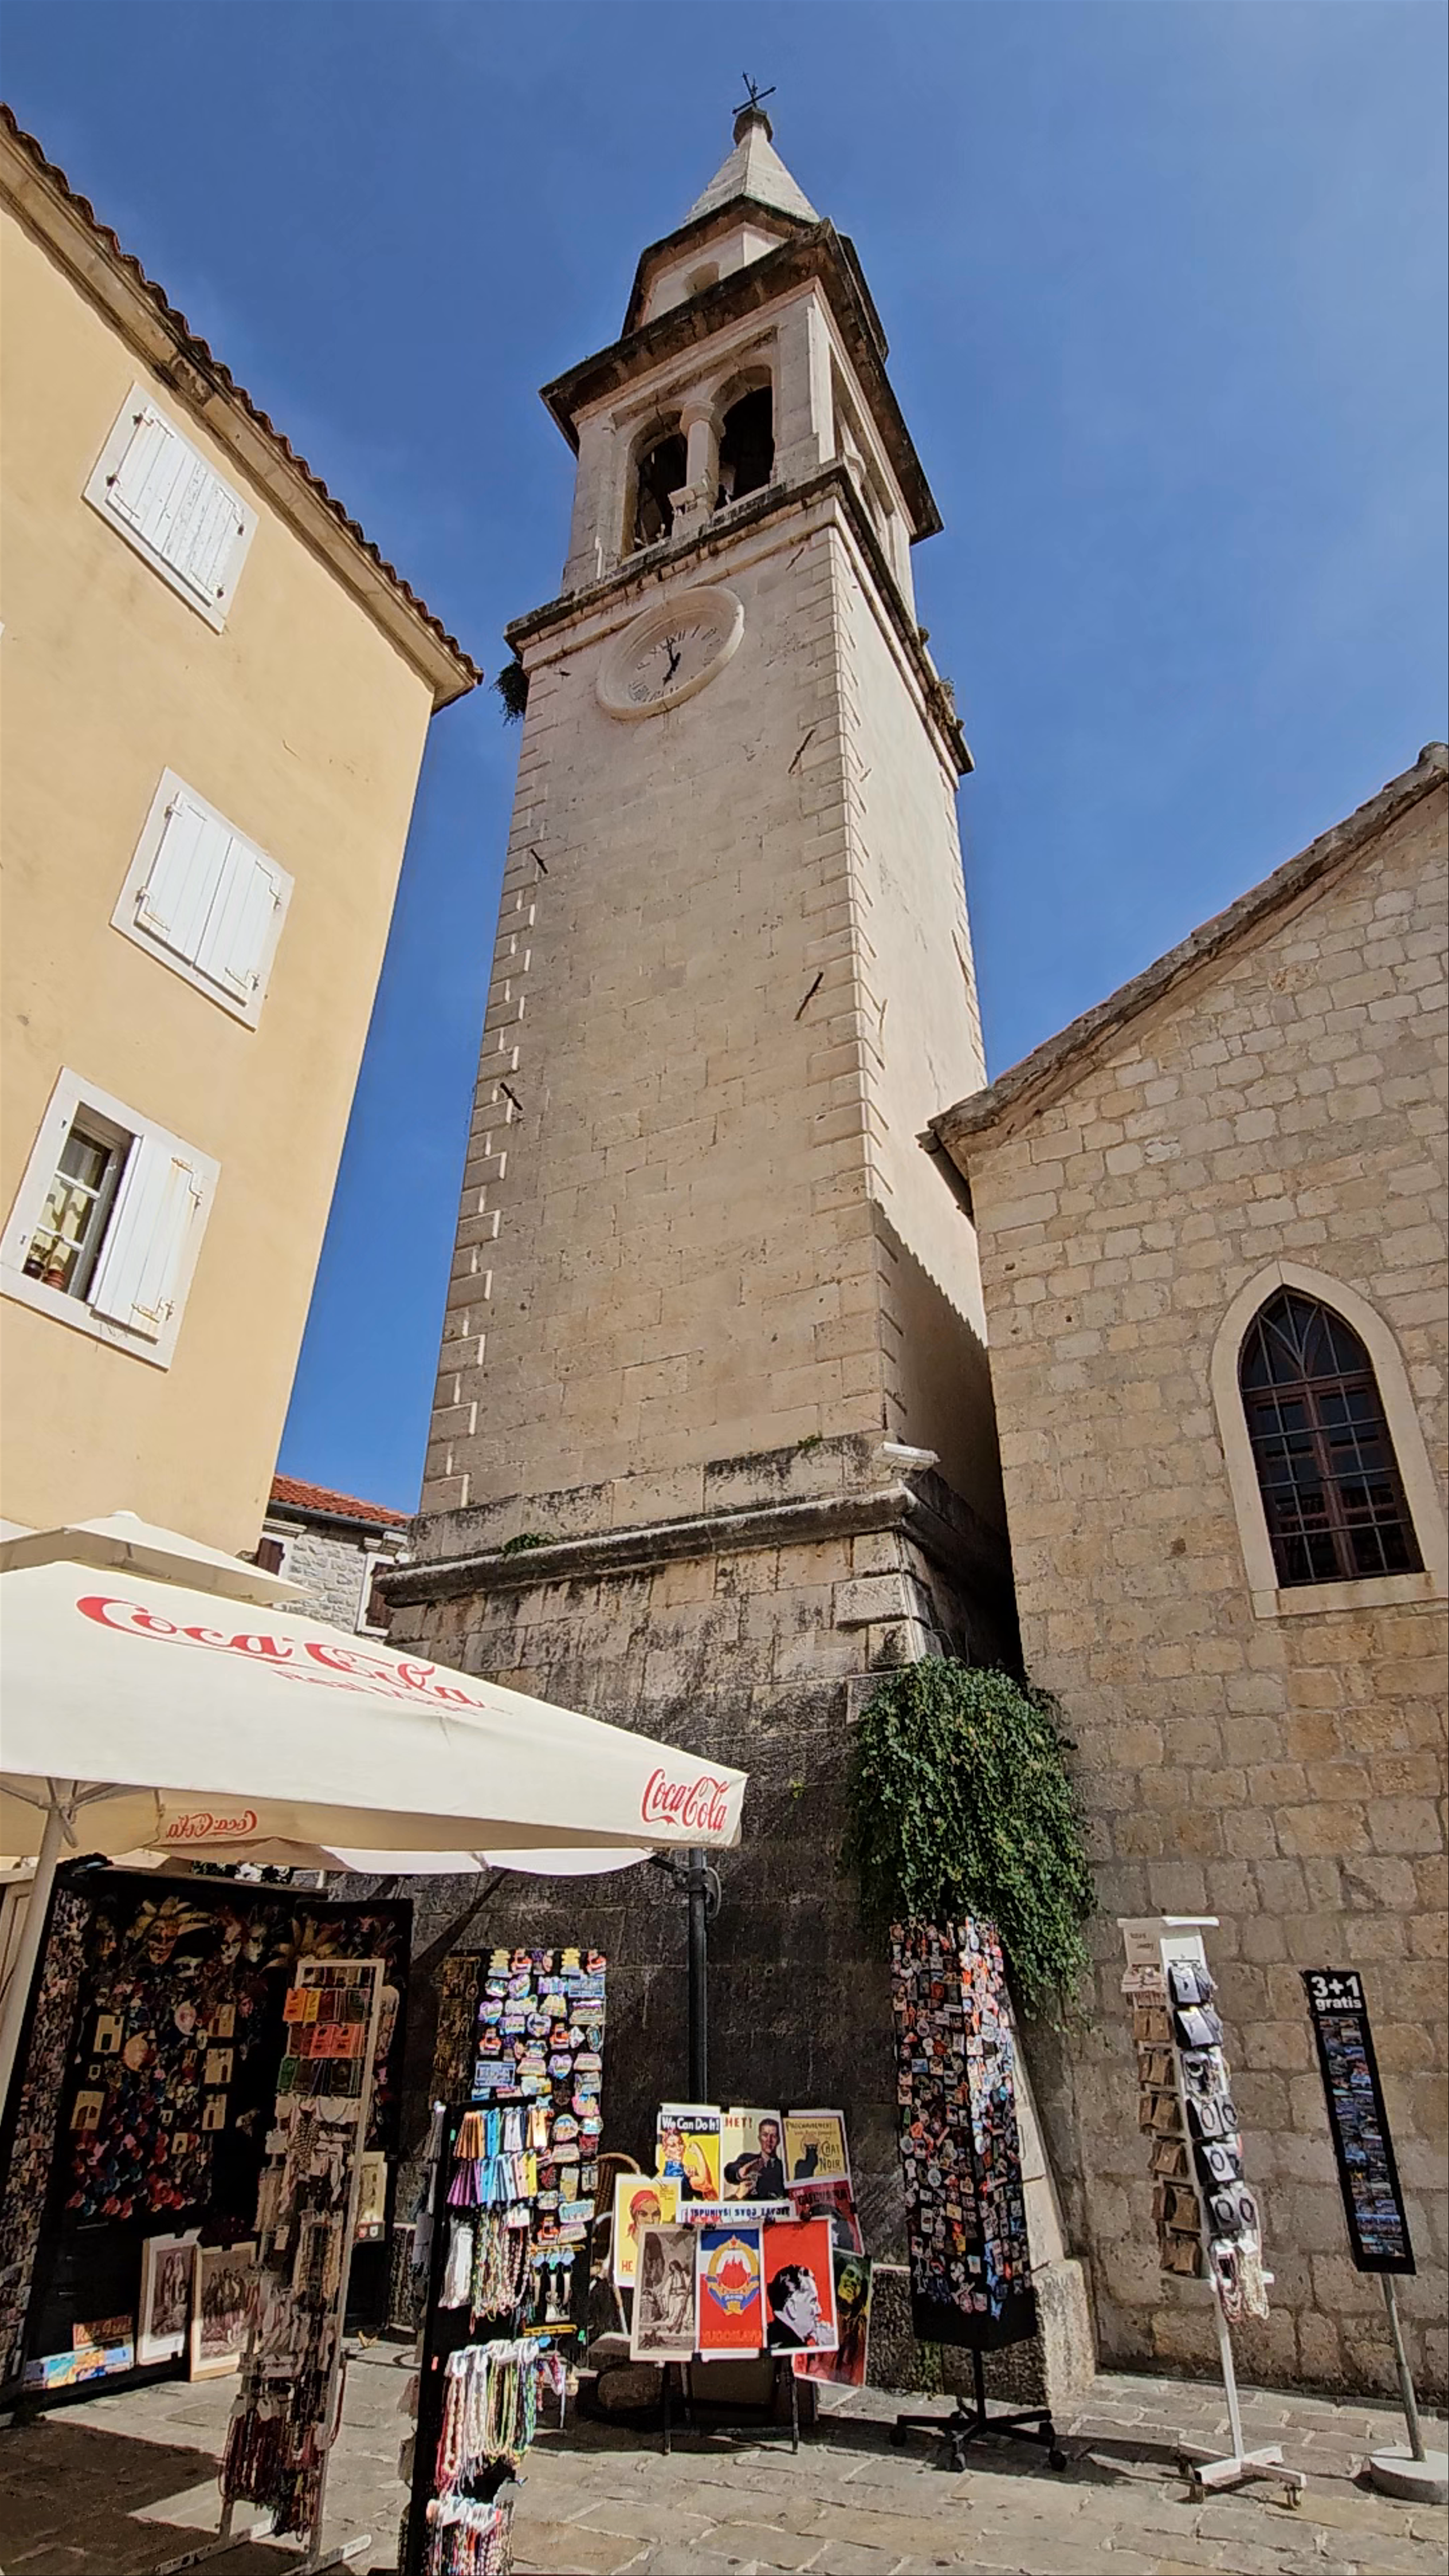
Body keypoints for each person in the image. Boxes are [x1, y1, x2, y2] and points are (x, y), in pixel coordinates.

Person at [766, 2260, 824, 2350]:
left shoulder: (767, 2338)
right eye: (813, 2302)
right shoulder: (790, 2348)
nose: (819, 2311)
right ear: (792, 2308)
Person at [723, 2117, 785, 2200]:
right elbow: (729, 2172)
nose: (769, 2140)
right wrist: (741, 2172)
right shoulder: (748, 2159)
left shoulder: (784, 2168)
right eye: (765, 2135)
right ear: (759, 2138)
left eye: (774, 2136)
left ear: (778, 2140)